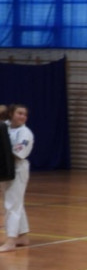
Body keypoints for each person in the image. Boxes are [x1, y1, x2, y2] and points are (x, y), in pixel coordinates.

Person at [1, 104, 34, 252]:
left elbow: (17, 153)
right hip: (5, 169)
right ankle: (23, 236)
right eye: (19, 113)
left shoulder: (25, 133)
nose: (22, 117)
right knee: (16, 203)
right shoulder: (5, 126)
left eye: (25, 114)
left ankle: (11, 240)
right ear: (11, 114)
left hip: (17, 170)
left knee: (12, 205)